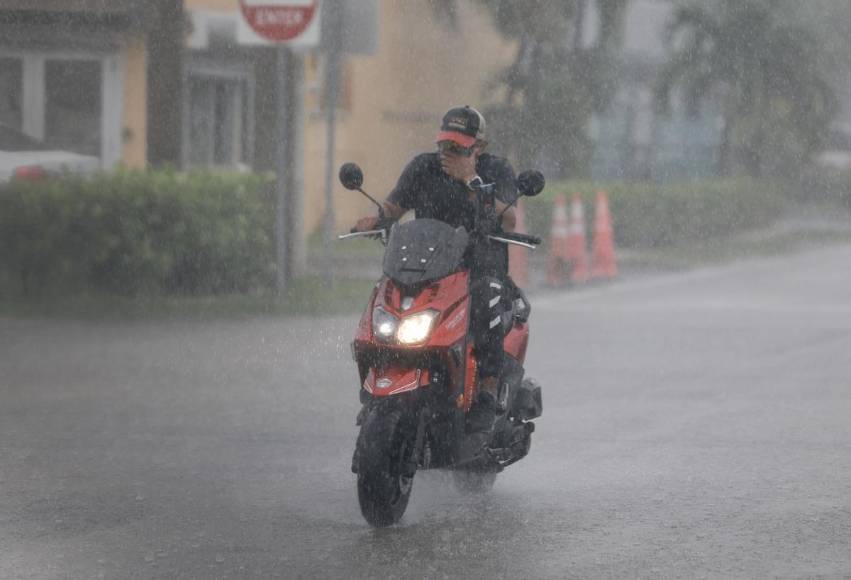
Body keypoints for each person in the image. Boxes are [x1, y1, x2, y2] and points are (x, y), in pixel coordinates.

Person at [354, 105, 518, 434]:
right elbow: (394, 206)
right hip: (424, 270)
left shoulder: (496, 169)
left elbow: (508, 219)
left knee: (486, 297)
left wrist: (470, 180)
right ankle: (377, 386)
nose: (448, 152)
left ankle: (487, 389)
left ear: (479, 147)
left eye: (458, 147)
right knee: (386, 299)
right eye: (445, 144)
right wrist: (377, 218)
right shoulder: (422, 167)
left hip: (477, 269)